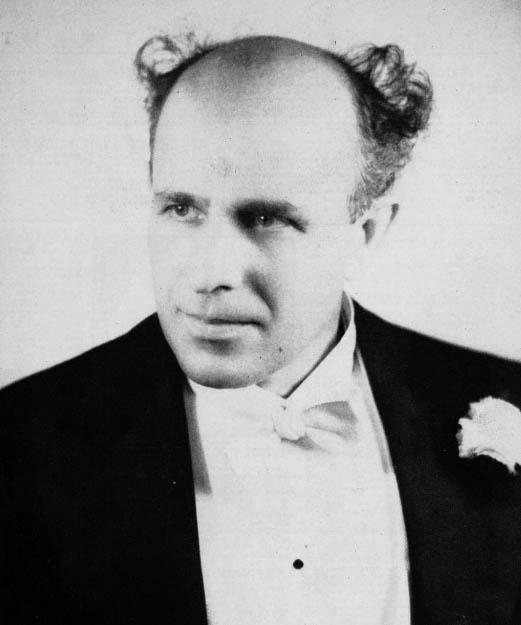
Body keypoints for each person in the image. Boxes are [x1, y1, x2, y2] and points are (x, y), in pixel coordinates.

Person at [1, 33, 521, 625]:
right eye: (181, 209)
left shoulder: (503, 397)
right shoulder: (21, 445)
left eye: (267, 218)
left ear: (366, 233)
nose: (210, 274)